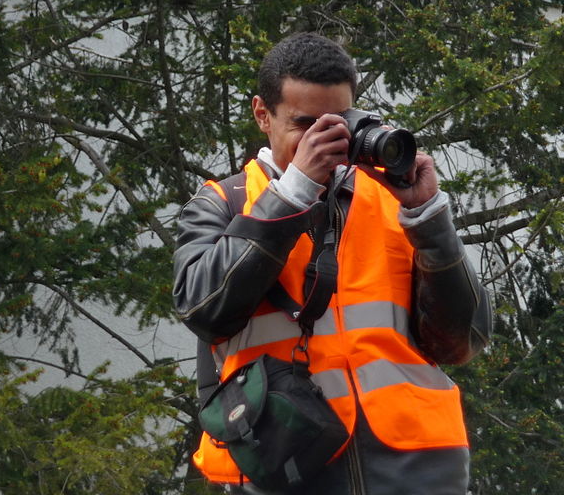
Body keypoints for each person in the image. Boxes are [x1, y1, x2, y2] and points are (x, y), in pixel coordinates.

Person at [173, 32, 492, 494]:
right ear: (262, 114)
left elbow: (464, 341)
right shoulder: (225, 202)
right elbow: (204, 309)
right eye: (306, 125)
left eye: (339, 122)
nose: (327, 141)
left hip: (419, 465)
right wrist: (293, 193)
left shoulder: (389, 198)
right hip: (288, 462)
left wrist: (428, 219)